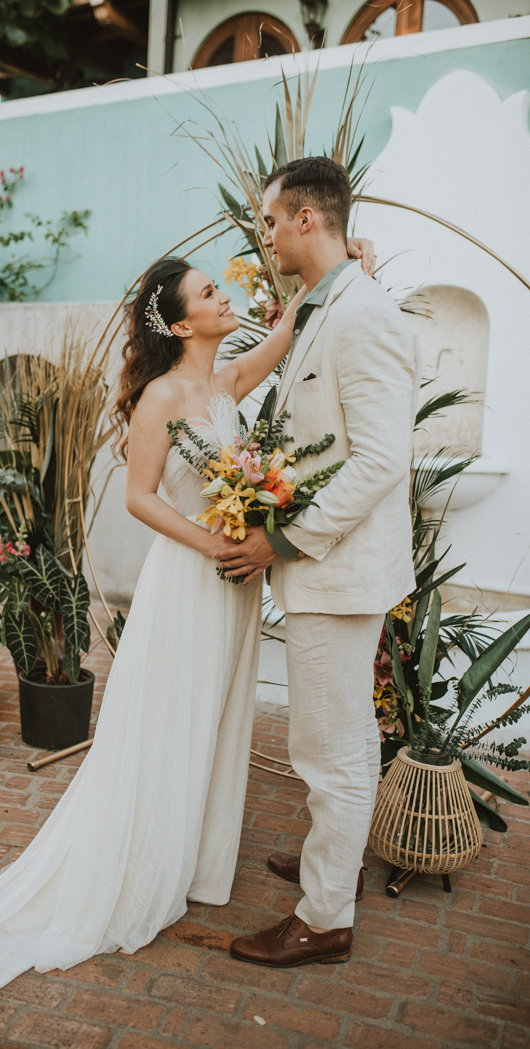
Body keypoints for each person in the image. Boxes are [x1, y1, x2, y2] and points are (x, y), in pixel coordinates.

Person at [0, 233, 374, 994]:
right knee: (170, 718)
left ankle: (192, 857)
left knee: (216, 717)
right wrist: (216, 542)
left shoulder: (225, 384)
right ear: (182, 326)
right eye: (210, 295)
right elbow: (139, 497)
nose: (225, 299)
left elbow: (289, 328)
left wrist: (349, 270)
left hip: (234, 585)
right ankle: (144, 863)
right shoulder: (163, 397)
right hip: (193, 581)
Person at [221, 157, 422, 969]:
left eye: (270, 221)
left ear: (308, 219)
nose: (263, 236)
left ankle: (325, 914)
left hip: (336, 571)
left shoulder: (362, 314)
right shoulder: (327, 302)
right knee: (328, 738)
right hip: (328, 571)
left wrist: (284, 538)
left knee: (330, 746)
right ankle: (328, 856)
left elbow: (380, 460)